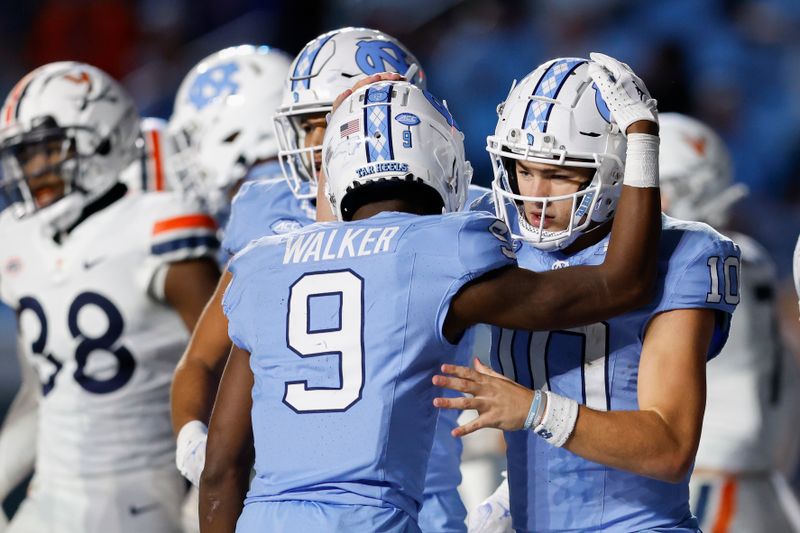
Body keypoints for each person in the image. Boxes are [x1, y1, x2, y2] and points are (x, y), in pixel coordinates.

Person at [200, 55, 661, 532]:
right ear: (445, 163)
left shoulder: (265, 263)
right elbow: (621, 284)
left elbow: (221, 467)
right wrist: (643, 135)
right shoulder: (442, 253)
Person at [170, 29, 469, 533]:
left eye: (331, 123)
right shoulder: (269, 215)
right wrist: (196, 443)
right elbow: (201, 359)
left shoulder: (458, 219)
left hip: (419, 500)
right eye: (307, 125)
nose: (316, 144)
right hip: (286, 501)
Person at [437, 55, 740, 533]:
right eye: (523, 168)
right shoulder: (492, 236)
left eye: (561, 174)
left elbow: (670, 448)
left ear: (616, 172)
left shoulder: (683, 253)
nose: (535, 195)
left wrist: (535, 409)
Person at [0, 61, 220, 533]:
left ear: (99, 139)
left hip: (137, 496)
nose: (33, 170)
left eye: (46, 151)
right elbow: (42, 394)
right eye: (24, 156)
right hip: (50, 492)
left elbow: (224, 367)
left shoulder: (157, 225)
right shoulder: (18, 239)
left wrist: (206, 496)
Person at [659, 113, 800, 533]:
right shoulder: (746, 256)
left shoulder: (698, 262)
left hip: (712, 480)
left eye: (646, 187)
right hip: (750, 476)